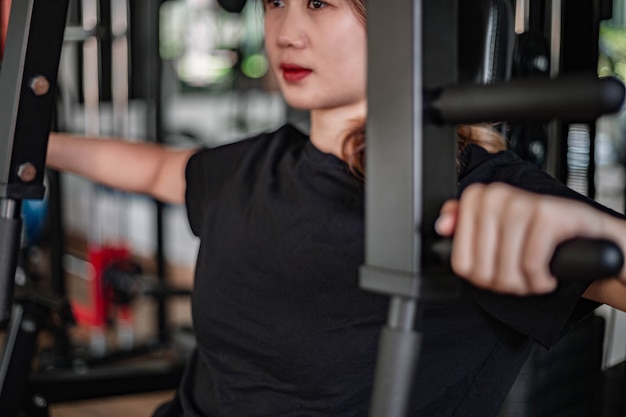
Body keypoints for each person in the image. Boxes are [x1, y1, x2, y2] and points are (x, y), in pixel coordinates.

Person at [46, 0, 626, 415]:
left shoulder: (475, 197)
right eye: (275, 1)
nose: (285, 31)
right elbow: (151, 168)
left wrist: (589, 232)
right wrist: (29, 144)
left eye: (320, 2)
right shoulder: (259, 163)